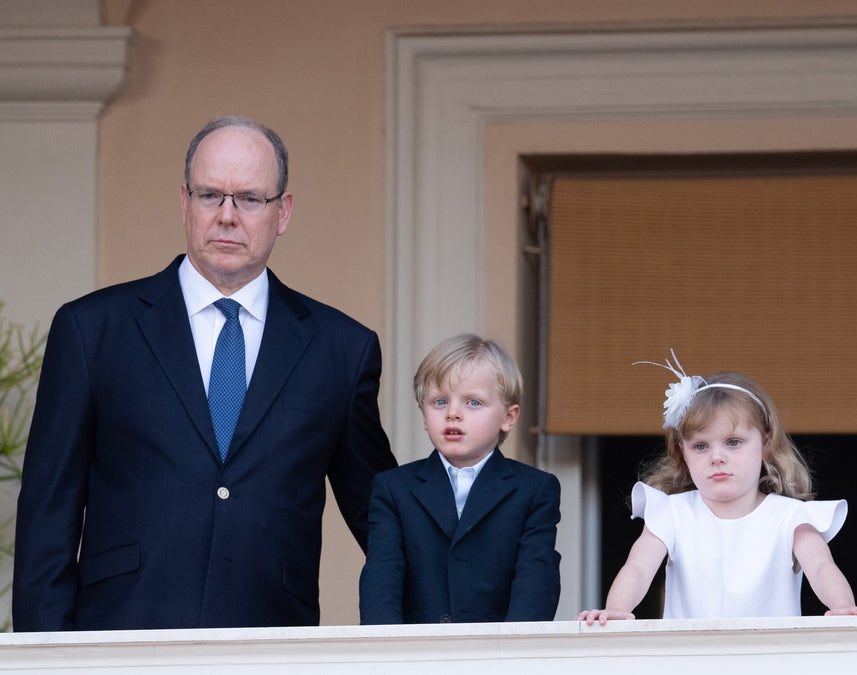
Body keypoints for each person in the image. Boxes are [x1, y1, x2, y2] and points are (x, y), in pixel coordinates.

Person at [13, 116, 398, 631]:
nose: (227, 216)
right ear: (183, 203)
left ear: (283, 211)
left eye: (250, 199)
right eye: (210, 195)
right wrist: (45, 662)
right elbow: (47, 520)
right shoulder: (92, 330)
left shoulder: (341, 350)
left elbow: (385, 522)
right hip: (119, 645)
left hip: (270, 648)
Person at [580, 353, 857, 623]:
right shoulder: (671, 513)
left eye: (733, 442)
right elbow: (638, 569)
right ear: (682, 452)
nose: (717, 457)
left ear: (765, 442)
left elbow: (820, 567)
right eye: (700, 446)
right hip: (690, 662)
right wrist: (616, 609)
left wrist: (844, 608)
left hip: (771, 662)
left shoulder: (790, 517)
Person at [359, 333, 561, 624]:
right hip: (416, 660)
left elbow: (536, 582)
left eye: (473, 403)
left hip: (499, 659)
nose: (453, 414)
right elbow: (381, 581)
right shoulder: (393, 489)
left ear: (509, 416)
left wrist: (514, 657)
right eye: (439, 402)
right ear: (424, 415)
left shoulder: (535, 489)